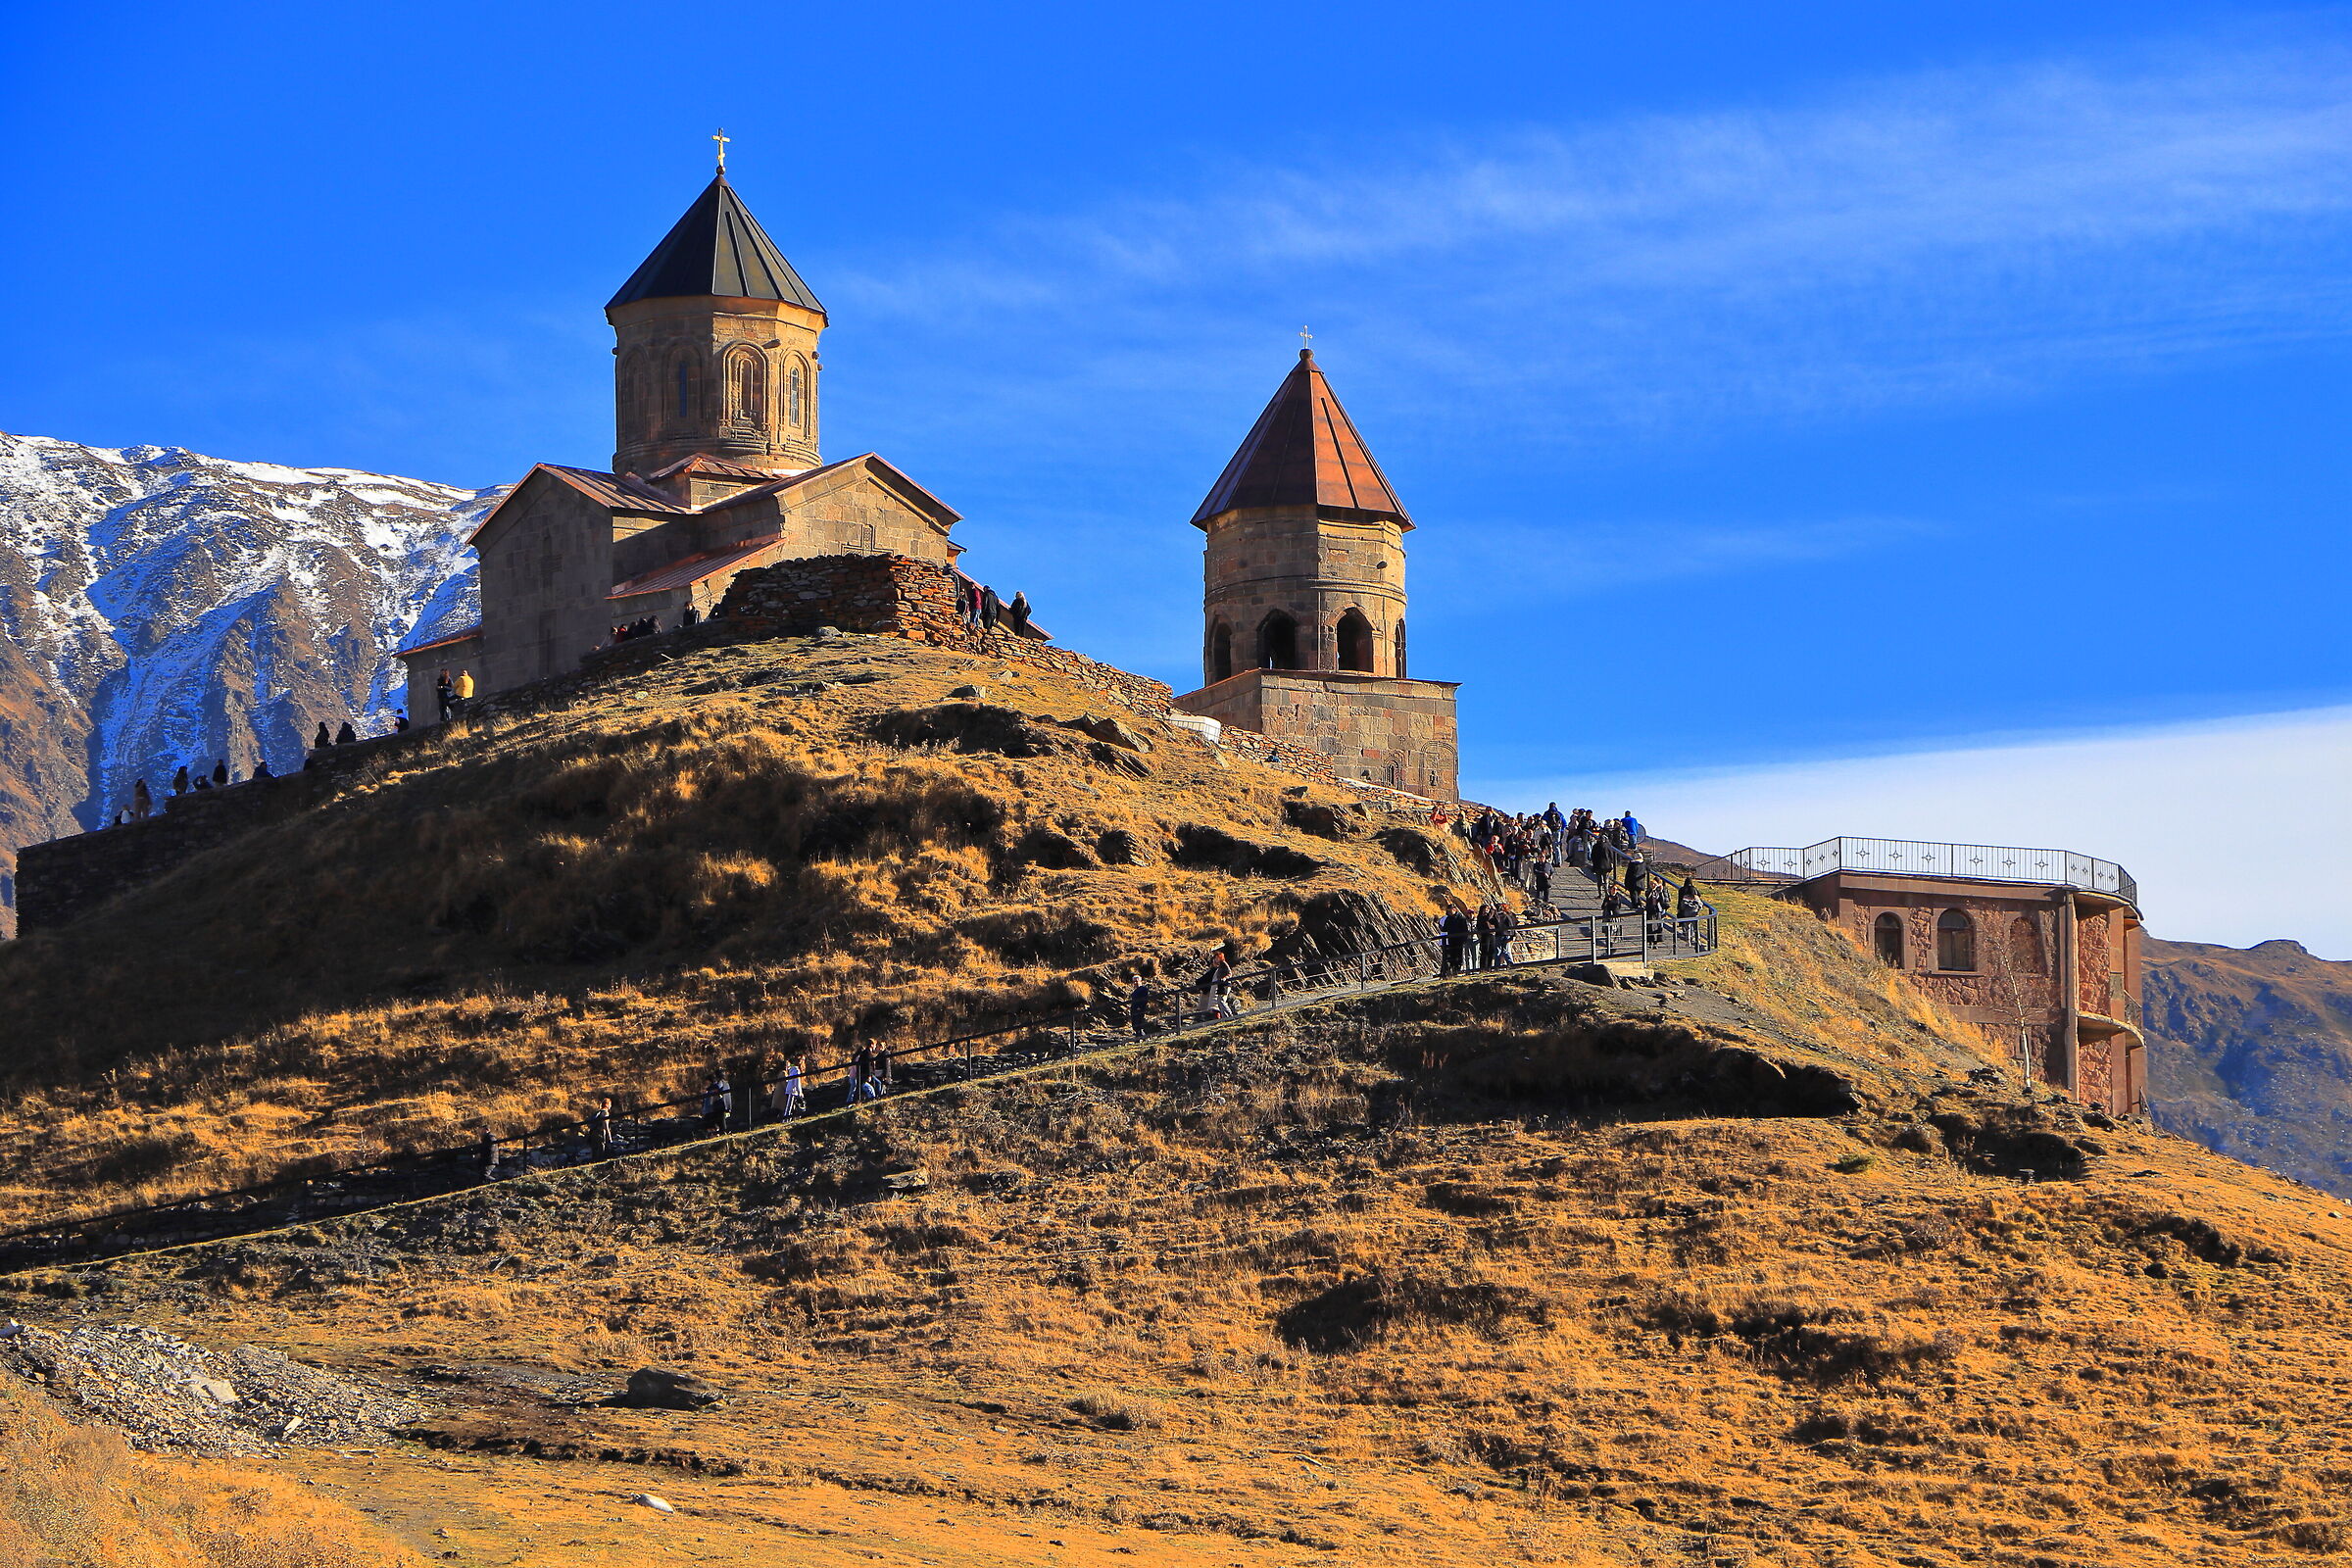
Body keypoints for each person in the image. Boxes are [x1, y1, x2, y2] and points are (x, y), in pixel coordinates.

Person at [1127, 972, 1152, 1039]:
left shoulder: (1143, 989)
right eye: (1134, 982)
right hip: (1135, 1010)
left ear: (1140, 981)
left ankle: (1142, 1037)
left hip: (1139, 1009)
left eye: (1136, 981)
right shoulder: (1135, 991)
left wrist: (1140, 1007)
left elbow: (1144, 999)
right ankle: (1139, 1037)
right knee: (1135, 1024)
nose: (1135, 983)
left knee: (1139, 1024)